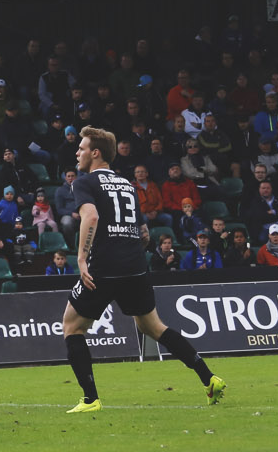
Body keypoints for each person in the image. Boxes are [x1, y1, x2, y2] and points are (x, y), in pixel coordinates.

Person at [62, 126, 225, 414]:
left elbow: (91, 216)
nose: (77, 152)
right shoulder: (127, 185)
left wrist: (82, 259)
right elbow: (144, 234)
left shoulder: (84, 183)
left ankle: (90, 399)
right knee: (152, 326)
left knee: (72, 327)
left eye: (82, 148)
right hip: (135, 266)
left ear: (95, 153)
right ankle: (208, 378)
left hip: (104, 266)